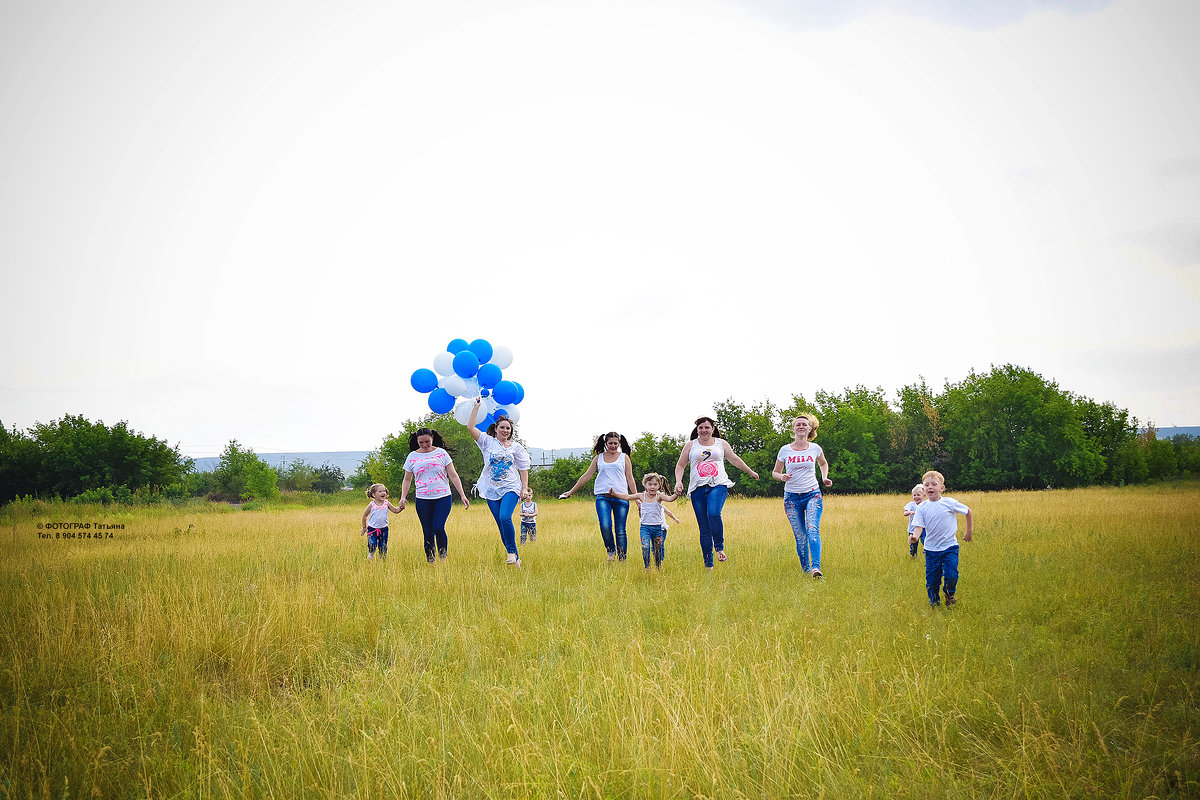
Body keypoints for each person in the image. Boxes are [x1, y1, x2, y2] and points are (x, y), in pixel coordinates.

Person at [674, 416, 760, 569]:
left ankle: (719, 548)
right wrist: (679, 481)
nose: (704, 430)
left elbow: (734, 459)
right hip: (697, 488)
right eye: (701, 428)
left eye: (707, 427)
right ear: (697, 430)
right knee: (704, 528)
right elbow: (680, 465)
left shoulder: (721, 443)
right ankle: (709, 565)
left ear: (712, 429)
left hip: (718, 485)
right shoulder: (690, 445)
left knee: (713, 513)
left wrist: (750, 471)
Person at [468, 399, 532, 567]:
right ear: (495, 429)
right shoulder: (487, 442)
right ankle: (516, 557)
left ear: (511, 431)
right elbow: (470, 427)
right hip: (491, 489)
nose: (505, 430)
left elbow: (524, 468)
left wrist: (524, 488)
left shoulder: (516, 447)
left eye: (508, 428)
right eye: (502, 427)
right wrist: (476, 407)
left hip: (510, 487)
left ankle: (511, 552)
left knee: (505, 517)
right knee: (501, 524)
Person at [558, 432, 638, 561]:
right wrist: (570, 492)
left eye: (615, 443)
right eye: (610, 443)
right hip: (603, 497)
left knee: (620, 530)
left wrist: (636, 497)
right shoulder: (598, 458)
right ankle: (611, 552)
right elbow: (586, 476)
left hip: (622, 497)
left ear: (619, 444)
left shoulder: (624, 457)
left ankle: (622, 559)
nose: (613, 446)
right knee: (605, 526)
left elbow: (630, 479)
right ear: (605, 443)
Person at [772, 414, 833, 578]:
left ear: (809, 429)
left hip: (812, 494)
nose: (800, 426)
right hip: (791, 498)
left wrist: (824, 477)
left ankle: (816, 568)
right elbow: (775, 472)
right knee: (800, 536)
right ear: (793, 429)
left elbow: (823, 463)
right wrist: (781, 477)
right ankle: (806, 570)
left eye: (804, 424)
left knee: (812, 529)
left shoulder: (815, 448)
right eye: (797, 424)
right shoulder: (785, 450)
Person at [398, 427, 471, 564]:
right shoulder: (412, 456)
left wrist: (462, 494)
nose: (425, 445)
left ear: (432, 438)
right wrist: (403, 497)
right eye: (421, 443)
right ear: (417, 442)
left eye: (427, 442)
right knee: (427, 531)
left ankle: (443, 560)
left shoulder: (441, 453)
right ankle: (430, 562)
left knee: (438, 527)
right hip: (422, 498)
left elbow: (453, 475)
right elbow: (407, 479)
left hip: (443, 497)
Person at [909, 470, 973, 607]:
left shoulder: (949, 503)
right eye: (927, 485)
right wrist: (914, 537)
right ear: (924, 490)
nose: (930, 487)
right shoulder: (922, 508)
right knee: (932, 581)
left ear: (942, 488)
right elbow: (919, 526)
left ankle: (949, 594)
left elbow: (967, 511)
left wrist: (969, 531)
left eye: (934, 484)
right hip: (931, 550)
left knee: (952, 575)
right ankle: (934, 601)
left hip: (950, 547)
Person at [606, 473, 679, 571]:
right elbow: (627, 497)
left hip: (657, 528)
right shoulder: (641, 496)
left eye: (655, 484)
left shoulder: (659, 496)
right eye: (650, 484)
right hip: (645, 528)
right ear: (645, 485)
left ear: (659, 486)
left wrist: (676, 494)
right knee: (645, 547)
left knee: (657, 550)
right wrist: (615, 494)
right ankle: (647, 567)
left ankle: (658, 566)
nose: (652, 487)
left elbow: (670, 499)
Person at [360, 483, 403, 560]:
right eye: (380, 491)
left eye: (384, 491)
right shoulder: (371, 505)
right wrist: (364, 528)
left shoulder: (386, 503)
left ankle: (382, 563)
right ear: (374, 495)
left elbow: (395, 510)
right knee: (372, 546)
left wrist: (401, 508)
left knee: (383, 547)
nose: (383, 493)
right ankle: (370, 559)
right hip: (372, 529)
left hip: (384, 529)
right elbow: (364, 516)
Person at [903, 483, 927, 558]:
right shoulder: (911, 505)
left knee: (925, 540)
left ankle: (927, 552)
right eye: (914, 495)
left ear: (924, 496)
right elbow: (905, 513)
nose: (916, 497)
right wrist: (910, 512)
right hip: (912, 529)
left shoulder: (926, 505)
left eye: (918, 495)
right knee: (913, 543)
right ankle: (913, 555)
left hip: (923, 528)